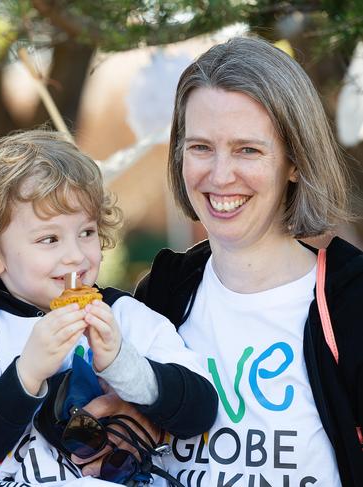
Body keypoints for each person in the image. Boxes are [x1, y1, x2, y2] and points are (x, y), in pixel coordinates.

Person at [130, 37, 363, 486]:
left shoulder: (351, 304)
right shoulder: (161, 296)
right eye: (200, 147)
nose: (219, 176)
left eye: (247, 150)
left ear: (295, 161)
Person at [0, 130, 218, 486]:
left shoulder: (124, 316)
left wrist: (122, 363)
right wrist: (28, 372)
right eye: (49, 239)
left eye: (86, 232)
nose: (75, 255)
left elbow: (201, 409)